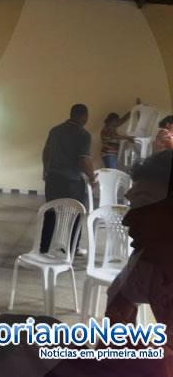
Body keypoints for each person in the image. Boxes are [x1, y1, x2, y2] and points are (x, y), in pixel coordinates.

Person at [105, 150, 173, 369]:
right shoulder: (147, 263)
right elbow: (118, 306)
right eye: (134, 205)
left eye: (146, 205)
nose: (128, 220)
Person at [41, 104, 95, 255]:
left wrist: (45, 169)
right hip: (72, 181)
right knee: (75, 213)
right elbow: (84, 160)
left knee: (50, 211)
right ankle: (72, 248)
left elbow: (46, 152)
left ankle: (44, 248)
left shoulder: (55, 130)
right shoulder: (83, 134)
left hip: (53, 178)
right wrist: (92, 178)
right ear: (84, 116)